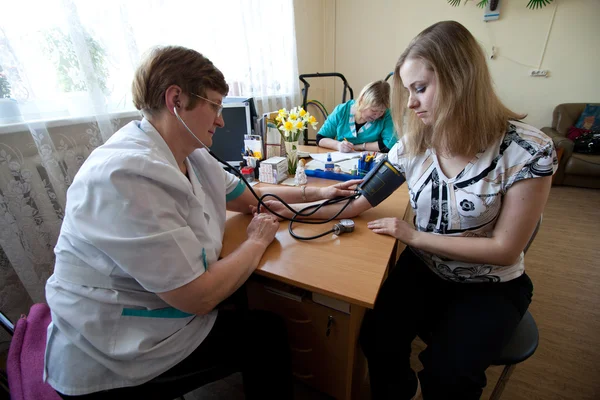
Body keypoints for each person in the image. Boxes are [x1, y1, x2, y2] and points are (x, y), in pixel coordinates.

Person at [260, 21, 557, 399]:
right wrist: (287, 210)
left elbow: (505, 249)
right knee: (376, 338)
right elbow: (356, 203)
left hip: (491, 283)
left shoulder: (526, 150)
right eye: (408, 91)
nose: (411, 103)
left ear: (460, 79)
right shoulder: (411, 147)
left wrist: (414, 236)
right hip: (427, 269)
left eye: (420, 88)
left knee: (450, 374)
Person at [44, 45, 360, 399]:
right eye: (215, 106)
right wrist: (256, 242)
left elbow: (252, 199)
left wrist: (318, 194)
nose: (221, 120)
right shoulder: (124, 176)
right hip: (113, 347)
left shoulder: (191, 154)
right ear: (176, 99)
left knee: (242, 293)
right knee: (265, 334)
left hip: (156, 312)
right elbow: (199, 297)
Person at [316, 80, 397, 153]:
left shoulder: (387, 115)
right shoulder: (342, 110)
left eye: (381, 111)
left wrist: (358, 147)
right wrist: (338, 145)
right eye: (374, 111)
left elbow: (389, 144)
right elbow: (320, 138)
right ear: (362, 100)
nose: (377, 115)